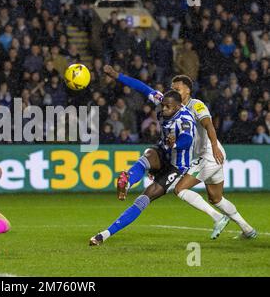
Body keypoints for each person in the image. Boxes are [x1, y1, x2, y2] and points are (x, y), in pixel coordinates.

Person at [103, 65, 256, 239]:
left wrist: (213, 146)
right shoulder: (168, 103)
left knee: (179, 188)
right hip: (205, 156)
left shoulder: (196, 106)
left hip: (208, 155)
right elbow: (142, 87)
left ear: (188, 90)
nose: (173, 91)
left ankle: (218, 218)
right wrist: (117, 75)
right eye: (172, 88)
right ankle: (247, 229)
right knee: (216, 198)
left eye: (177, 89)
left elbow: (208, 125)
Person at [90, 90, 196, 245]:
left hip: (177, 166)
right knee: (148, 154)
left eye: (168, 107)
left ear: (179, 106)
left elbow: (187, 140)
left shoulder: (185, 119)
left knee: (143, 200)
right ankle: (127, 182)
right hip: (163, 153)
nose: (164, 109)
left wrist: (176, 144)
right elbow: (143, 88)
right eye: (163, 105)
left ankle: (105, 234)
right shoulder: (162, 103)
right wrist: (117, 76)